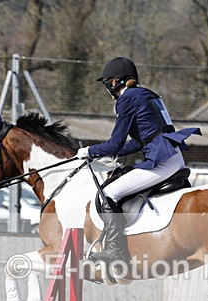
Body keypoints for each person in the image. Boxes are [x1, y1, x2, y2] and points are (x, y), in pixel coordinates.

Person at [76, 57, 200, 266]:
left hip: (162, 162)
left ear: (115, 82)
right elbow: (141, 141)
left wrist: (88, 151)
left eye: (108, 81)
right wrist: (109, 154)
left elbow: (115, 143)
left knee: (108, 193)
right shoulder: (148, 95)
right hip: (172, 156)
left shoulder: (126, 99)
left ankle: (115, 251)